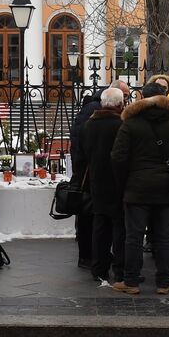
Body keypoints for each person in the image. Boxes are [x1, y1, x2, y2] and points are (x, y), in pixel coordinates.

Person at [111, 85, 169, 295]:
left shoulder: (130, 123)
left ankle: (131, 282)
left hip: (136, 187)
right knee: (164, 236)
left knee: (134, 237)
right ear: (164, 98)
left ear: (142, 99)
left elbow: (118, 157)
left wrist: (125, 181)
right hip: (166, 188)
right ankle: (163, 283)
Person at [83, 87, 127, 283]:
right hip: (118, 181)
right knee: (119, 227)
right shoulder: (121, 125)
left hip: (97, 181)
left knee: (100, 226)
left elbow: (84, 153)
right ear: (120, 105)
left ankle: (99, 268)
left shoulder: (89, 124)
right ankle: (120, 269)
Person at [69, 87, 102, 269]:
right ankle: (90, 256)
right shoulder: (95, 112)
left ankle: (85, 256)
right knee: (92, 217)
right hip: (90, 175)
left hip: (82, 173)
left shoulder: (85, 111)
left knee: (85, 217)